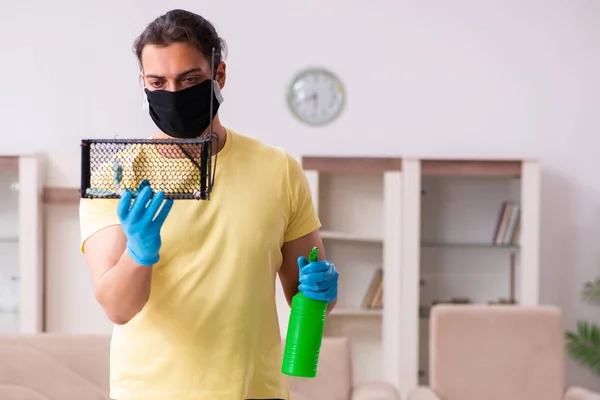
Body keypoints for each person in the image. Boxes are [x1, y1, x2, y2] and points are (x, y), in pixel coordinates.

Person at [78, 8, 339, 400]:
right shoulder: (116, 175)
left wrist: (323, 290)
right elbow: (118, 308)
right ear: (143, 83)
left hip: (256, 391)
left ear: (219, 75)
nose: (173, 93)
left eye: (189, 79)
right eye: (157, 81)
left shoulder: (278, 169)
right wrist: (138, 253)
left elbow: (305, 293)